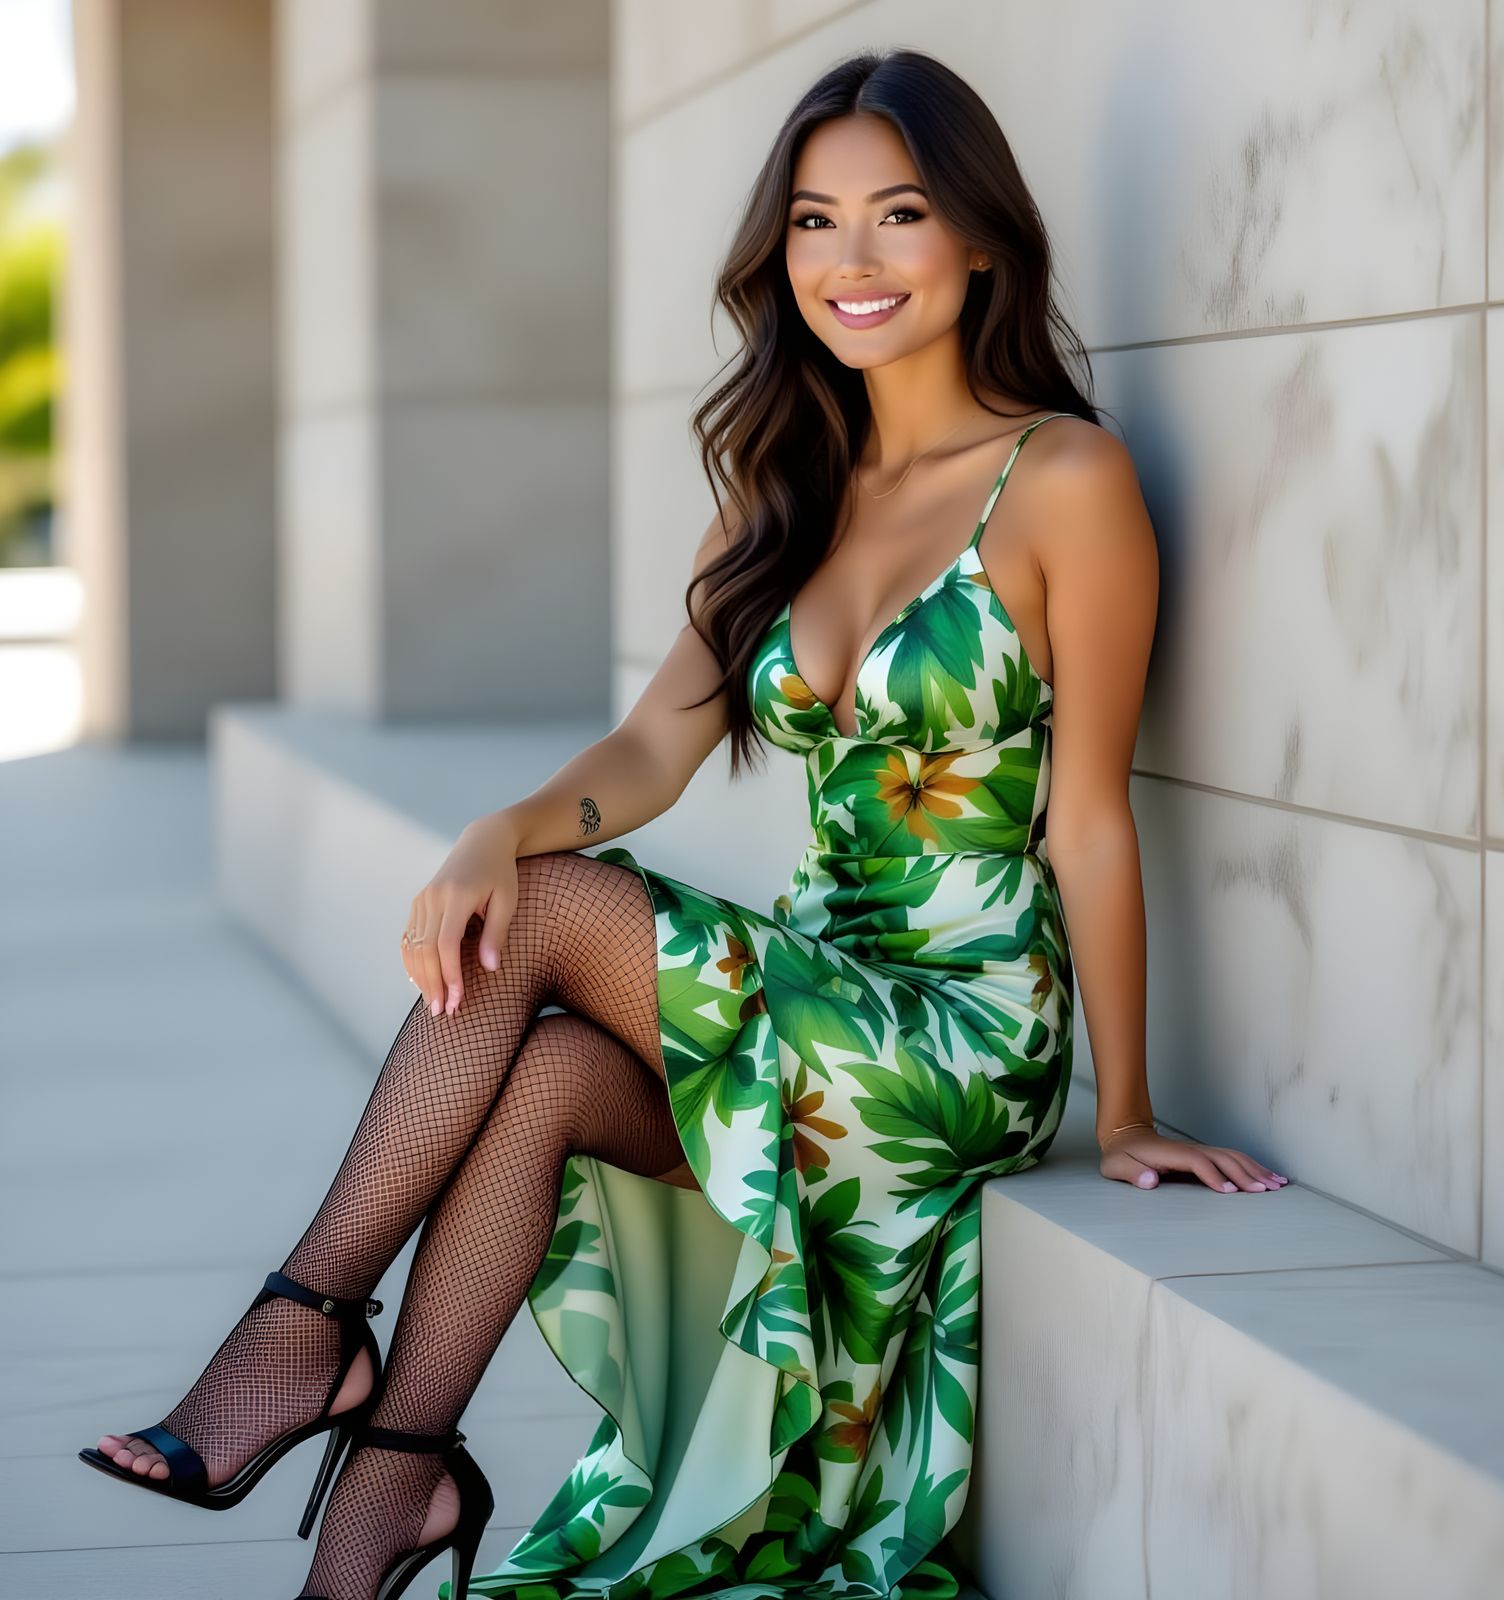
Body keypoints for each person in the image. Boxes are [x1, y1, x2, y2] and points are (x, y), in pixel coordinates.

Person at [78, 47, 1286, 1600]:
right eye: (812, 222)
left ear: (980, 239)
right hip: (819, 979)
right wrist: (491, 828)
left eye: (898, 216)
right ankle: (380, 1519)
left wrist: (1122, 1113)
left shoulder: (1063, 480)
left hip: (963, 1032)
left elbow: (1095, 821)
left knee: (559, 905)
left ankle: (304, 1328)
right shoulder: (788, 481)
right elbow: (660, 740)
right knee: (554, 1077)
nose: (850, 262)